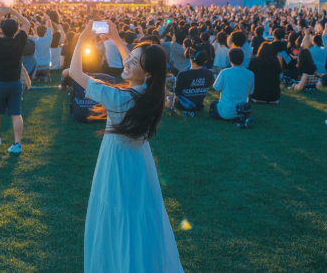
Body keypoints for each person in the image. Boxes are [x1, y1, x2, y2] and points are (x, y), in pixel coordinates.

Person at [69, 20, 184, 273]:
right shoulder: (152, 94)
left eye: (134, 62)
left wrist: (82, 39)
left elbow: (75, 73)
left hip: (116, 164)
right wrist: (118, 40)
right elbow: (134, 66)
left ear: (148, 73)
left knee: (116, 216)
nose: (127, 63)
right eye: (129, 58)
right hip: (139, 164)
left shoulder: (119, 97)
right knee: (137, 217)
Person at [0, 6, 29, 153]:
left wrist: (0, 14)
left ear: (1, 30)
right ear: (16, 30)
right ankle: (17, 143)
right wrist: (13, 12)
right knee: (16, 114)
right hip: (15, 82)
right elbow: (27, 24)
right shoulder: (19, 41)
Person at [210, 48, 254, 120]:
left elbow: (216, 88)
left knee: (213, 104)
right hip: (242, 111)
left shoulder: (224, 72)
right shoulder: (250, 74)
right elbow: (250, 92)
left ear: (229, 58)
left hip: (225, 113)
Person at [173, 44, 214, 111]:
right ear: (204, 61)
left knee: (169, 96)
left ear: (191, 59)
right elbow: (210, 85)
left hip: (184, 104)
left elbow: (177, 92)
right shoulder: (209, 73)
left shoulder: (182, 74)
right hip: (199, 104)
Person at [31, 16, 53, 81]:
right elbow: (50, 29)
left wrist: (35, 28)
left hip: (37, 66)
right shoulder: (48, 39)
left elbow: (32, 34)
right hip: (46, 65)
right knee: (45, 77)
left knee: (35, 77)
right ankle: (45, 77)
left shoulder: (34, 41)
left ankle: (37, 77)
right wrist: (48, 20)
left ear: (37, 32)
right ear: (46, 32)